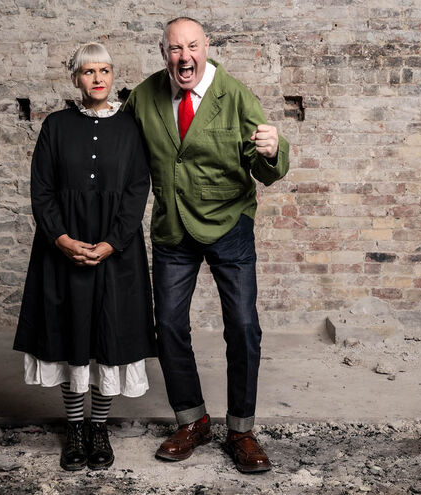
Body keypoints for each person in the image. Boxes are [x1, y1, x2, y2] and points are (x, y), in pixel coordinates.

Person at [124, 17, 289, 473]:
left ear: (206, 47)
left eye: (192, 46)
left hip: (230, 225)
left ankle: (241, 430)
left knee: (242, 327)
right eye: (175, 48)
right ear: (163, 53)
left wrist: (274, 151)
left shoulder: (234, 95)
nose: (184, 57)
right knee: (170, 326)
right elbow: (119, 145)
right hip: (173, 229)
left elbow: (267, 168)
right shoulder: (144, 96)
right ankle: (192, 420)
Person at [13, 42, 156, 471]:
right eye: (89, 71)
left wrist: (113, 241)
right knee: (71, 336)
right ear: (75, 78)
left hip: (117, 251)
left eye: (105, 70)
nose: (98, 78)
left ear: (114, 76)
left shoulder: (132, 127)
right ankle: (74, 429)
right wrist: (61, 239)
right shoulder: (55, 126)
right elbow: (42, 189)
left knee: (107, 338)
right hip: (63, 250)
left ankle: (99, 426)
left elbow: (137, 190)